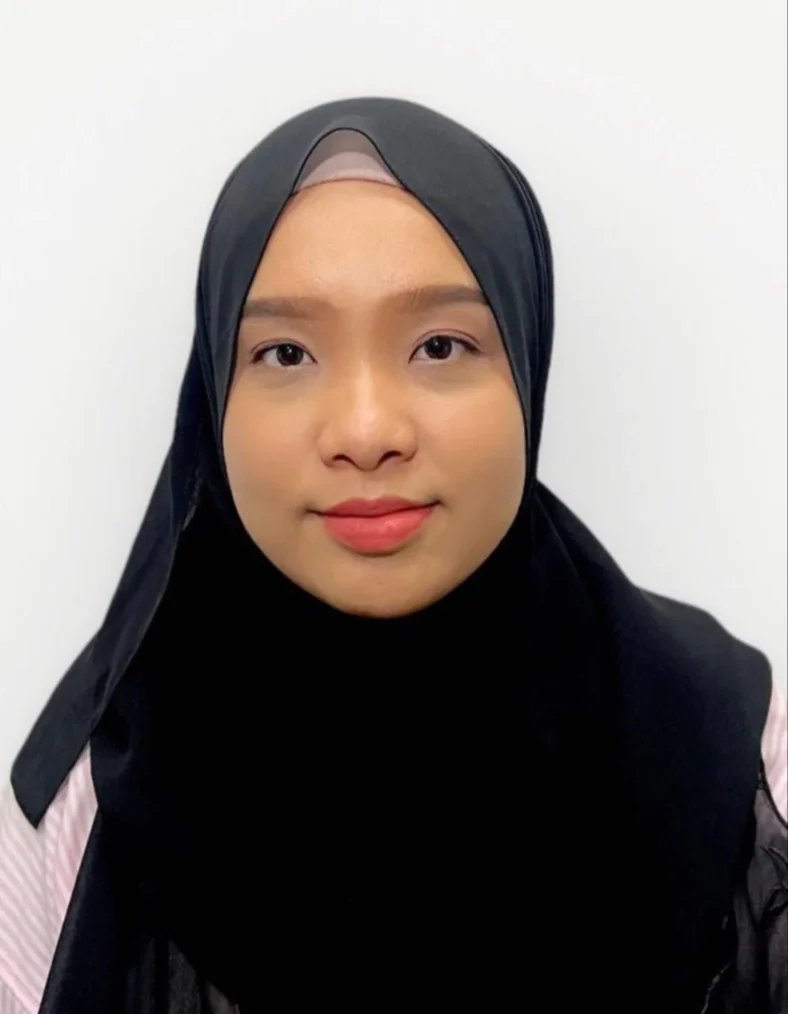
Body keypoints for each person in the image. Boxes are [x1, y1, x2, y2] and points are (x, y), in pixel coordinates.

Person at [0, 98, 785, 1014]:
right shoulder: (85, 797)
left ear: (526, 363)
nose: (367, 432)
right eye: (286, 353)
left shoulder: (742, 754)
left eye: (441, 345)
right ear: (215, 396)